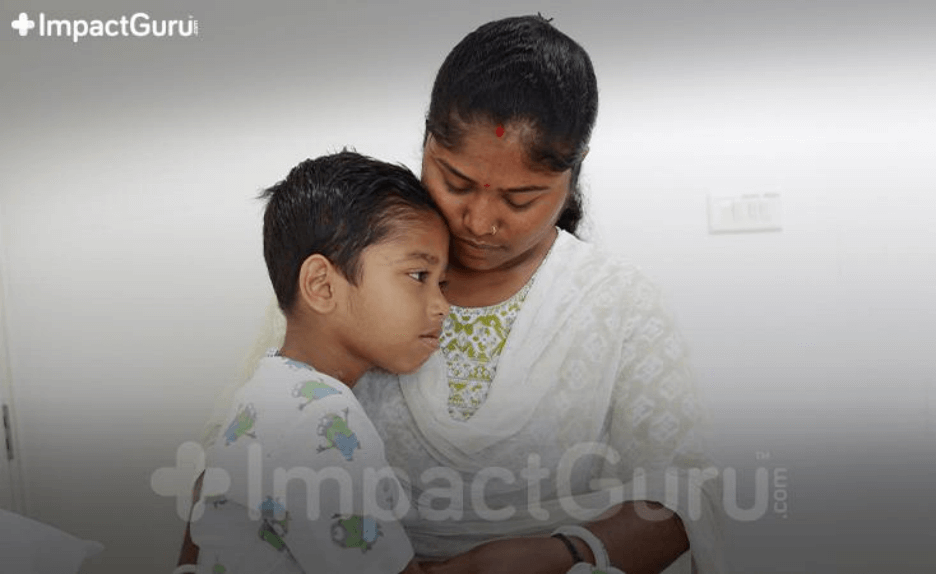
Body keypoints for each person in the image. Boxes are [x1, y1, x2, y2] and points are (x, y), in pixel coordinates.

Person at [243, 15, 723, 574]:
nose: (479, 221)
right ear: (426, 141)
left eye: (521, 200)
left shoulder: (618, 304)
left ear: (574, 173)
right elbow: (243, 456)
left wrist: (565, 553)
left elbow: (684, 493)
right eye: (455, 182)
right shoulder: (348, 274)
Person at [185, 151, 450, 574]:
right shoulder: (322, 417)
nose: (442, 306)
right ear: (322, 286)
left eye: (443, 284)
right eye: (419, 276)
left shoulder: (265, 392)